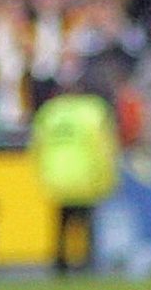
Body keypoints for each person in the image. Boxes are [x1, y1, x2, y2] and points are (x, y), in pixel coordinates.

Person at [27, 89, 119, 273]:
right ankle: (87, 264)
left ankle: (60, 264)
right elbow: (105, 146)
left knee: (61, 224)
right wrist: (107, 177)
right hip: (85, 176)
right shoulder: (92, 111)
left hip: (58, 177)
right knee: (86, 224)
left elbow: (36, 146)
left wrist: (41, 175)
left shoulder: (50, 112)